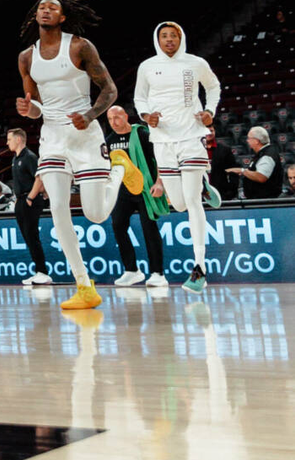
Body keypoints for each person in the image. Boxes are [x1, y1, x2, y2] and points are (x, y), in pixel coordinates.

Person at [16, 0, 122, 313]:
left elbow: (110, 89)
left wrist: (90, 115)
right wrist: (28, 109)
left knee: (96, 214)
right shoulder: (26, 57)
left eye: (52, 7)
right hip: (52, 135)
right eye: (41, 7)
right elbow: (35, 108)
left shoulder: (79, 46)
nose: (45, 10)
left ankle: (119, 170)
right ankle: (83, 285)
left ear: (62, 17)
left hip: (84, 133)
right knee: (58, 207)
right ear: (35, 16)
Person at [132, 20, 221, 291]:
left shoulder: (195, 63)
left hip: (191, 137)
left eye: (173, 35)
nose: (169, 40)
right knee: (179, 205)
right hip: (162, 141)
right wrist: (147, 117)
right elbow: (139, 99)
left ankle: (200, 268)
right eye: (164, 36)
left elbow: (214, 87)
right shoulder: (146, 66)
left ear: (181, 38)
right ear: (157, 40)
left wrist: (210, 111)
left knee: (192, 203)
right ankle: (204, 185)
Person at [105, 105, 168, 290]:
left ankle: (157, 273)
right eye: (110, 119)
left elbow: (160, 158)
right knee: (117, 225)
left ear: (125, 116)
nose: (114, 122)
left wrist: (159, 182)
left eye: (117, 117)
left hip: (145, 189)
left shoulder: (142, 134)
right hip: (123, 191)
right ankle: (132, 270)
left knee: (149, 229)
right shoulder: (109, 140)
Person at [5, 126, 50, 287]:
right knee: (28, 238)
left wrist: (30, 197)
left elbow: (39, 178)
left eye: (9, 139)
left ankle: (43, 272)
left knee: (32, 236)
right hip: (21, 200)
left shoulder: (29, 157)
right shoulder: (15, 158)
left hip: (30, 199)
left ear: (18, 139)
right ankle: (39, 271)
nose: (7, 142)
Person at [233, 125, 281, 202]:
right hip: (259, 200)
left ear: (256, 141)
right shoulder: (262, 153)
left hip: (265, 202)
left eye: (249, 138)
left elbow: (261, 177)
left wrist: (242, 171)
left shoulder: (267, 155)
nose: (247, 141)